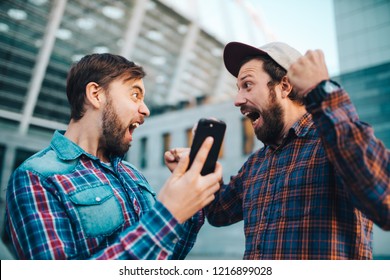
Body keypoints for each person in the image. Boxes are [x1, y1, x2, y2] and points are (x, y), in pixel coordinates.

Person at [166, 41, 390, 259]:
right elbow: (218, 212)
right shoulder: (256, 164)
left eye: (248, 85)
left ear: (284, 86)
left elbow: (383, 195)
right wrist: (199, 165)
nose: (237, 100)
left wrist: (321, 90)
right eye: (238, 88)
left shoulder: (332, 143)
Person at [3, 53, 222, 260]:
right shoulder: (36, 177)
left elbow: (164, 257)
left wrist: (190, 193)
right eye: (135, 94)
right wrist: (168, 214)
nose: (145, 110)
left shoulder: (131, 173)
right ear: (96, 95)